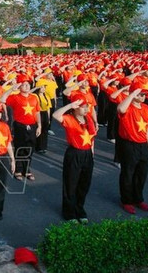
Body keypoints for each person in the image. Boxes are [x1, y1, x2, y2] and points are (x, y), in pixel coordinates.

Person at [52, 94, 96, 223]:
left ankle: (79, 208)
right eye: (82, 107)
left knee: (84, 184)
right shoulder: (69, 119)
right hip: (74, 153)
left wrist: (92, 154)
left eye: (87, 106)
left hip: (87, 154)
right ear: (76, 108)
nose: (86, 109)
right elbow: (55, 115)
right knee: (71, 184)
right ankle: (69, 212)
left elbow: (92, 138)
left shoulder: (88, 119)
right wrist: (70, 105)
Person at [116, 78, 148, 214]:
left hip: (143, 145)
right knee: (128, 174)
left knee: (141, 174)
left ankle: (138, 198)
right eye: (140, 94)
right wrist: (132, 94)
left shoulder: (147, 108)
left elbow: (147, 129)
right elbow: (120, 108)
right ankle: (126, 200)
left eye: (144, 94)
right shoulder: (127, 107)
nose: (143, 96)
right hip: (129, 145)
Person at [2, 74, 42, 181]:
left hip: (32, 125)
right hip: (19, 126)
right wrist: (12, 89)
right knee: (20, 148)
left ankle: (27, 169)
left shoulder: (34, 97)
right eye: (23, 85)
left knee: (30, 148)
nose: (26, 86)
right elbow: (2, 99)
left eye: (28, 84)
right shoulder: (14, 97)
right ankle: (18, 170)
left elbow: (37, 112)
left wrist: (39, 125)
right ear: (19, 87)